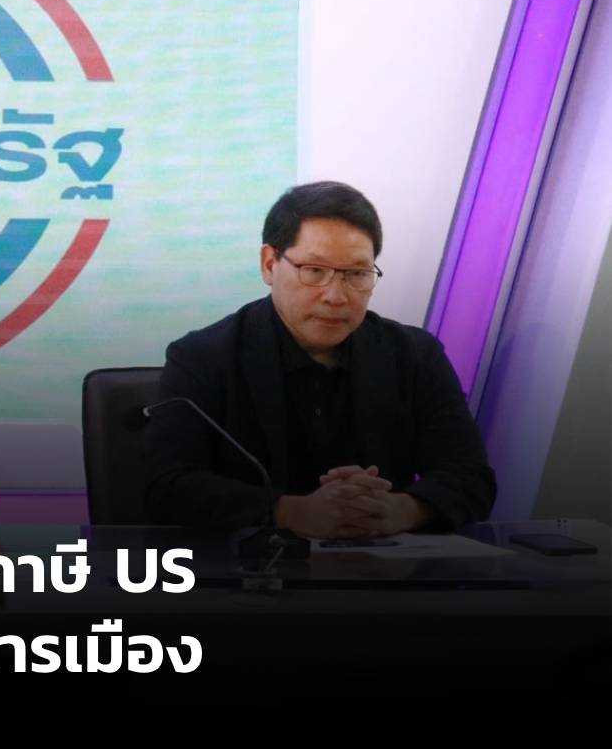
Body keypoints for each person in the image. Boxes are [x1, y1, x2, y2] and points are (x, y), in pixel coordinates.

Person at [145, 181, 496, 538]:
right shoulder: (202, 357)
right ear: (269, 264)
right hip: (250, 566)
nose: (336, 296)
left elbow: (471, 477)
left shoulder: (415, 356)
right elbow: (166, 486)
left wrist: (398, 510)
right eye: (314, 270)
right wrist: (292, 512)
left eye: (357, 274)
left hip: (382, 565)